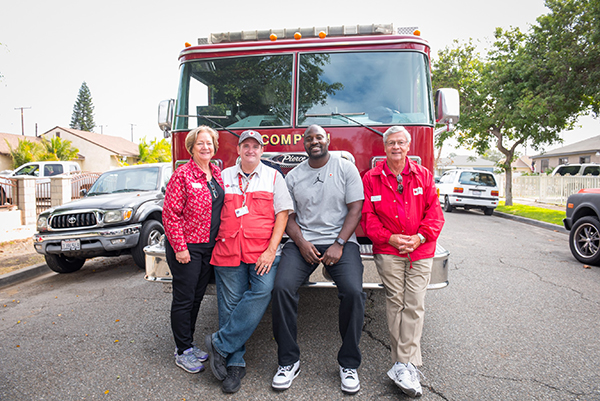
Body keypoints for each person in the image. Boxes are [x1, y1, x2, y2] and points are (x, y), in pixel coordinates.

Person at [271, 124, 366, 394]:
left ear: (328, 140)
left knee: (353, 292)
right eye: (309, 138)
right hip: (303, 242)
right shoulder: (293, 176)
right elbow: (287, 215)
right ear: (304, 143)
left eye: (319, 137)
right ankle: (288, 361)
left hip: (340, 241)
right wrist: (300, 242)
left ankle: (348, 364)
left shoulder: (346, 168)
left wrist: (339, 243)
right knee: (281, 289)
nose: (314, 142)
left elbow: (355, 209)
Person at [205, 130, 293, 393]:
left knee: (263, 291)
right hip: (228, 249)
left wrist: (271, 250)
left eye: (256, 146)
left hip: (261, 252)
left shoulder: (274, 177)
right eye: (246, 145)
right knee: (229, 305)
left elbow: (283, 215)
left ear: (262, 151)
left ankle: (218, 344)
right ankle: (235, 364)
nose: (251, 150)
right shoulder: (223, 176)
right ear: (239, 149)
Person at [361, 126, 444, 397]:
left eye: (400, 143)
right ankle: (405, 364)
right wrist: (391, 238)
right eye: (391, 143)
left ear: (408, 147)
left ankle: (402, 363)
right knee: (396, 301)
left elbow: (435, 213)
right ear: (384, 148)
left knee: (415, 303)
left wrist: (419, 237)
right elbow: (368, 217)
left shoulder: (424, 176)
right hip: (389, 248)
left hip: (420, 249)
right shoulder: (371, 178)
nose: (396, 147)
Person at [163, 126, 224, 374]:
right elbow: (170, 215)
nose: (205, 147)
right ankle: (181, 351)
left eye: (209, 143)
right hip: (186, 248)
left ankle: (188, 344)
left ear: (214, 146)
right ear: (191, 147)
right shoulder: (182, 175)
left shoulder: (216, 172)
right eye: (200, 143)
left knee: (197, 298)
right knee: (184, 299)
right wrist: (180, 248)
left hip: (208, 248)